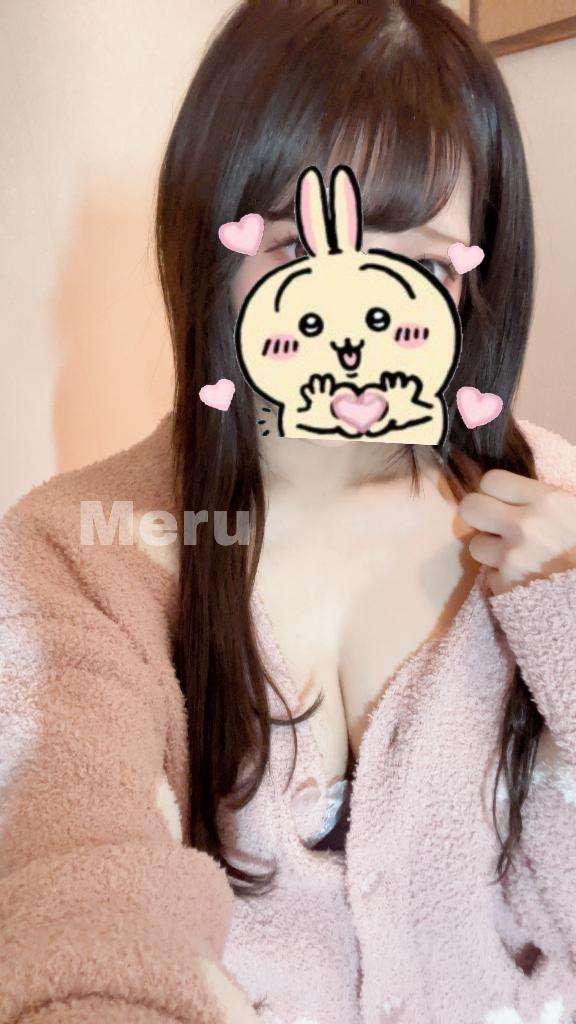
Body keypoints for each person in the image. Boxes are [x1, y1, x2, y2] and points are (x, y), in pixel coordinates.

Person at [1, 2, 576, 1022]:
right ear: (210, 248)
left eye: (422, 266)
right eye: (297, 250)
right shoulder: (82, 550)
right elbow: (75, 881)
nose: (356, 325)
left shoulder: (552, 510)